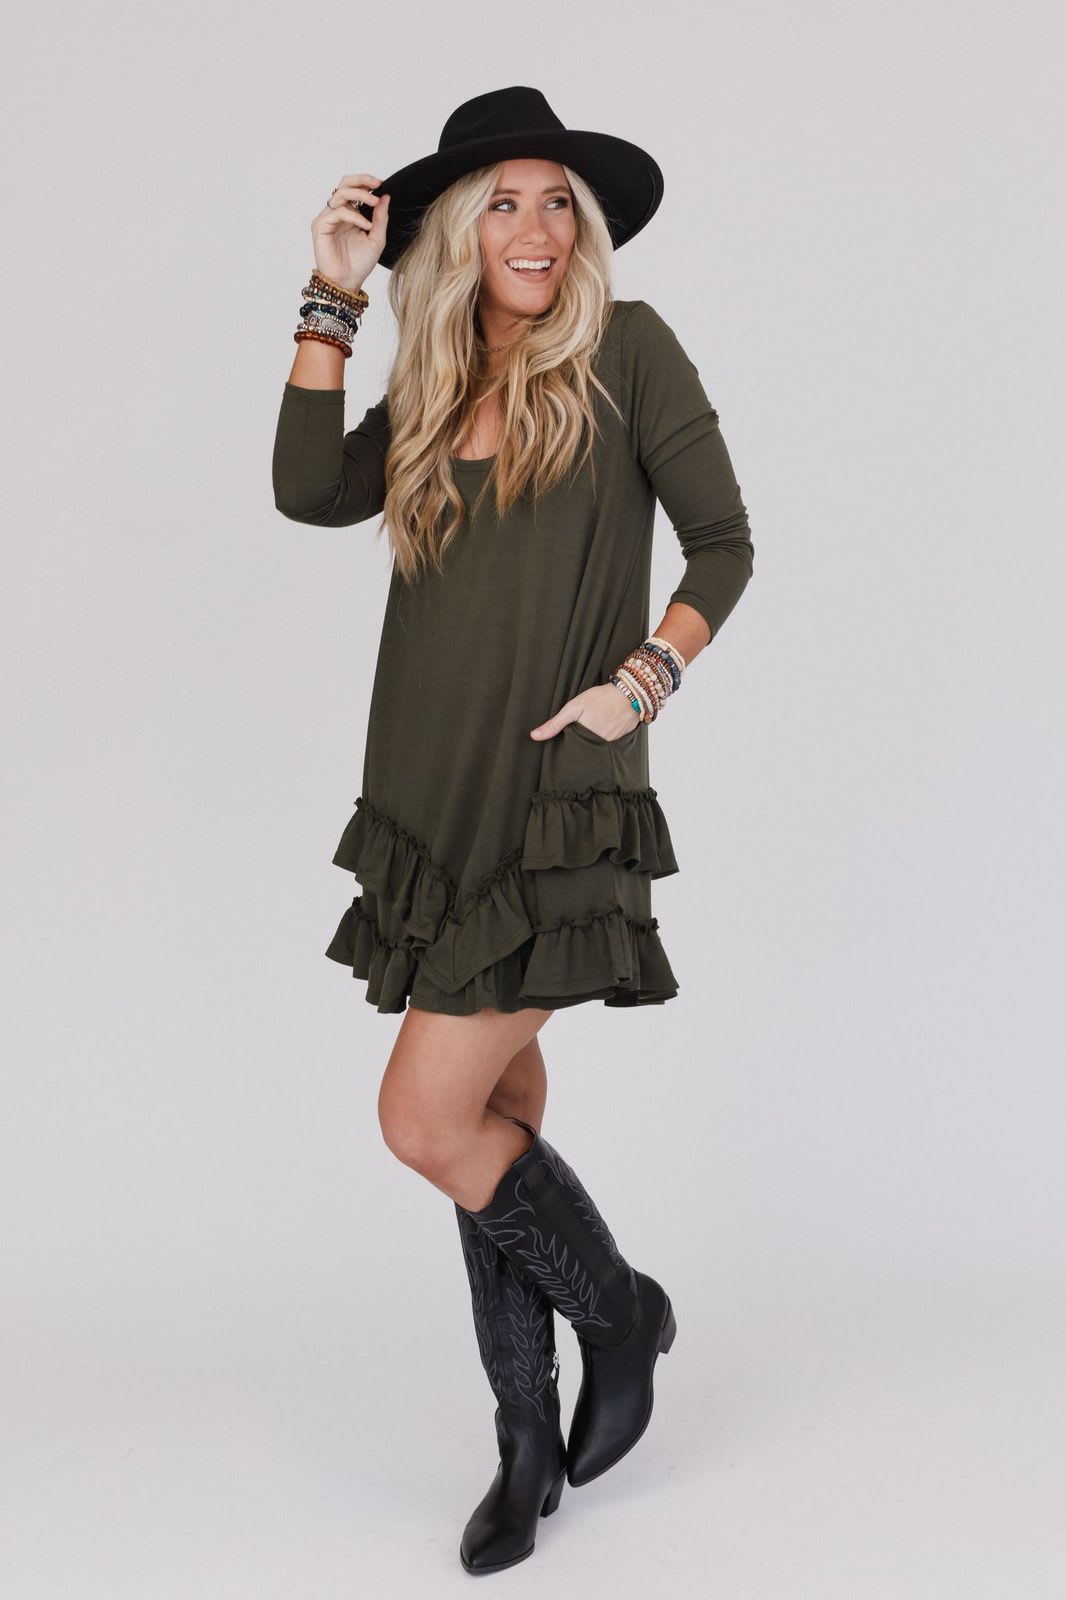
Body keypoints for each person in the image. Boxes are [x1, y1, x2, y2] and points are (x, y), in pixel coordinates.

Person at [271, 86, 754, 1576]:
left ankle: (623, 1314)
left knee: (423, 1121)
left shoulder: (628, 346)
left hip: (551, 800)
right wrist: (332, 295)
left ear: (582, 226)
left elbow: (724, 542)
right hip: (429, 794)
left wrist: (641, 680)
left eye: (557, 202)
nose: (535, 228)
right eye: (502, 202)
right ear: (456, 235)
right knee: (498, 1121)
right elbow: (307, 490)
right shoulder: (432, 369)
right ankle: (523, 1439)